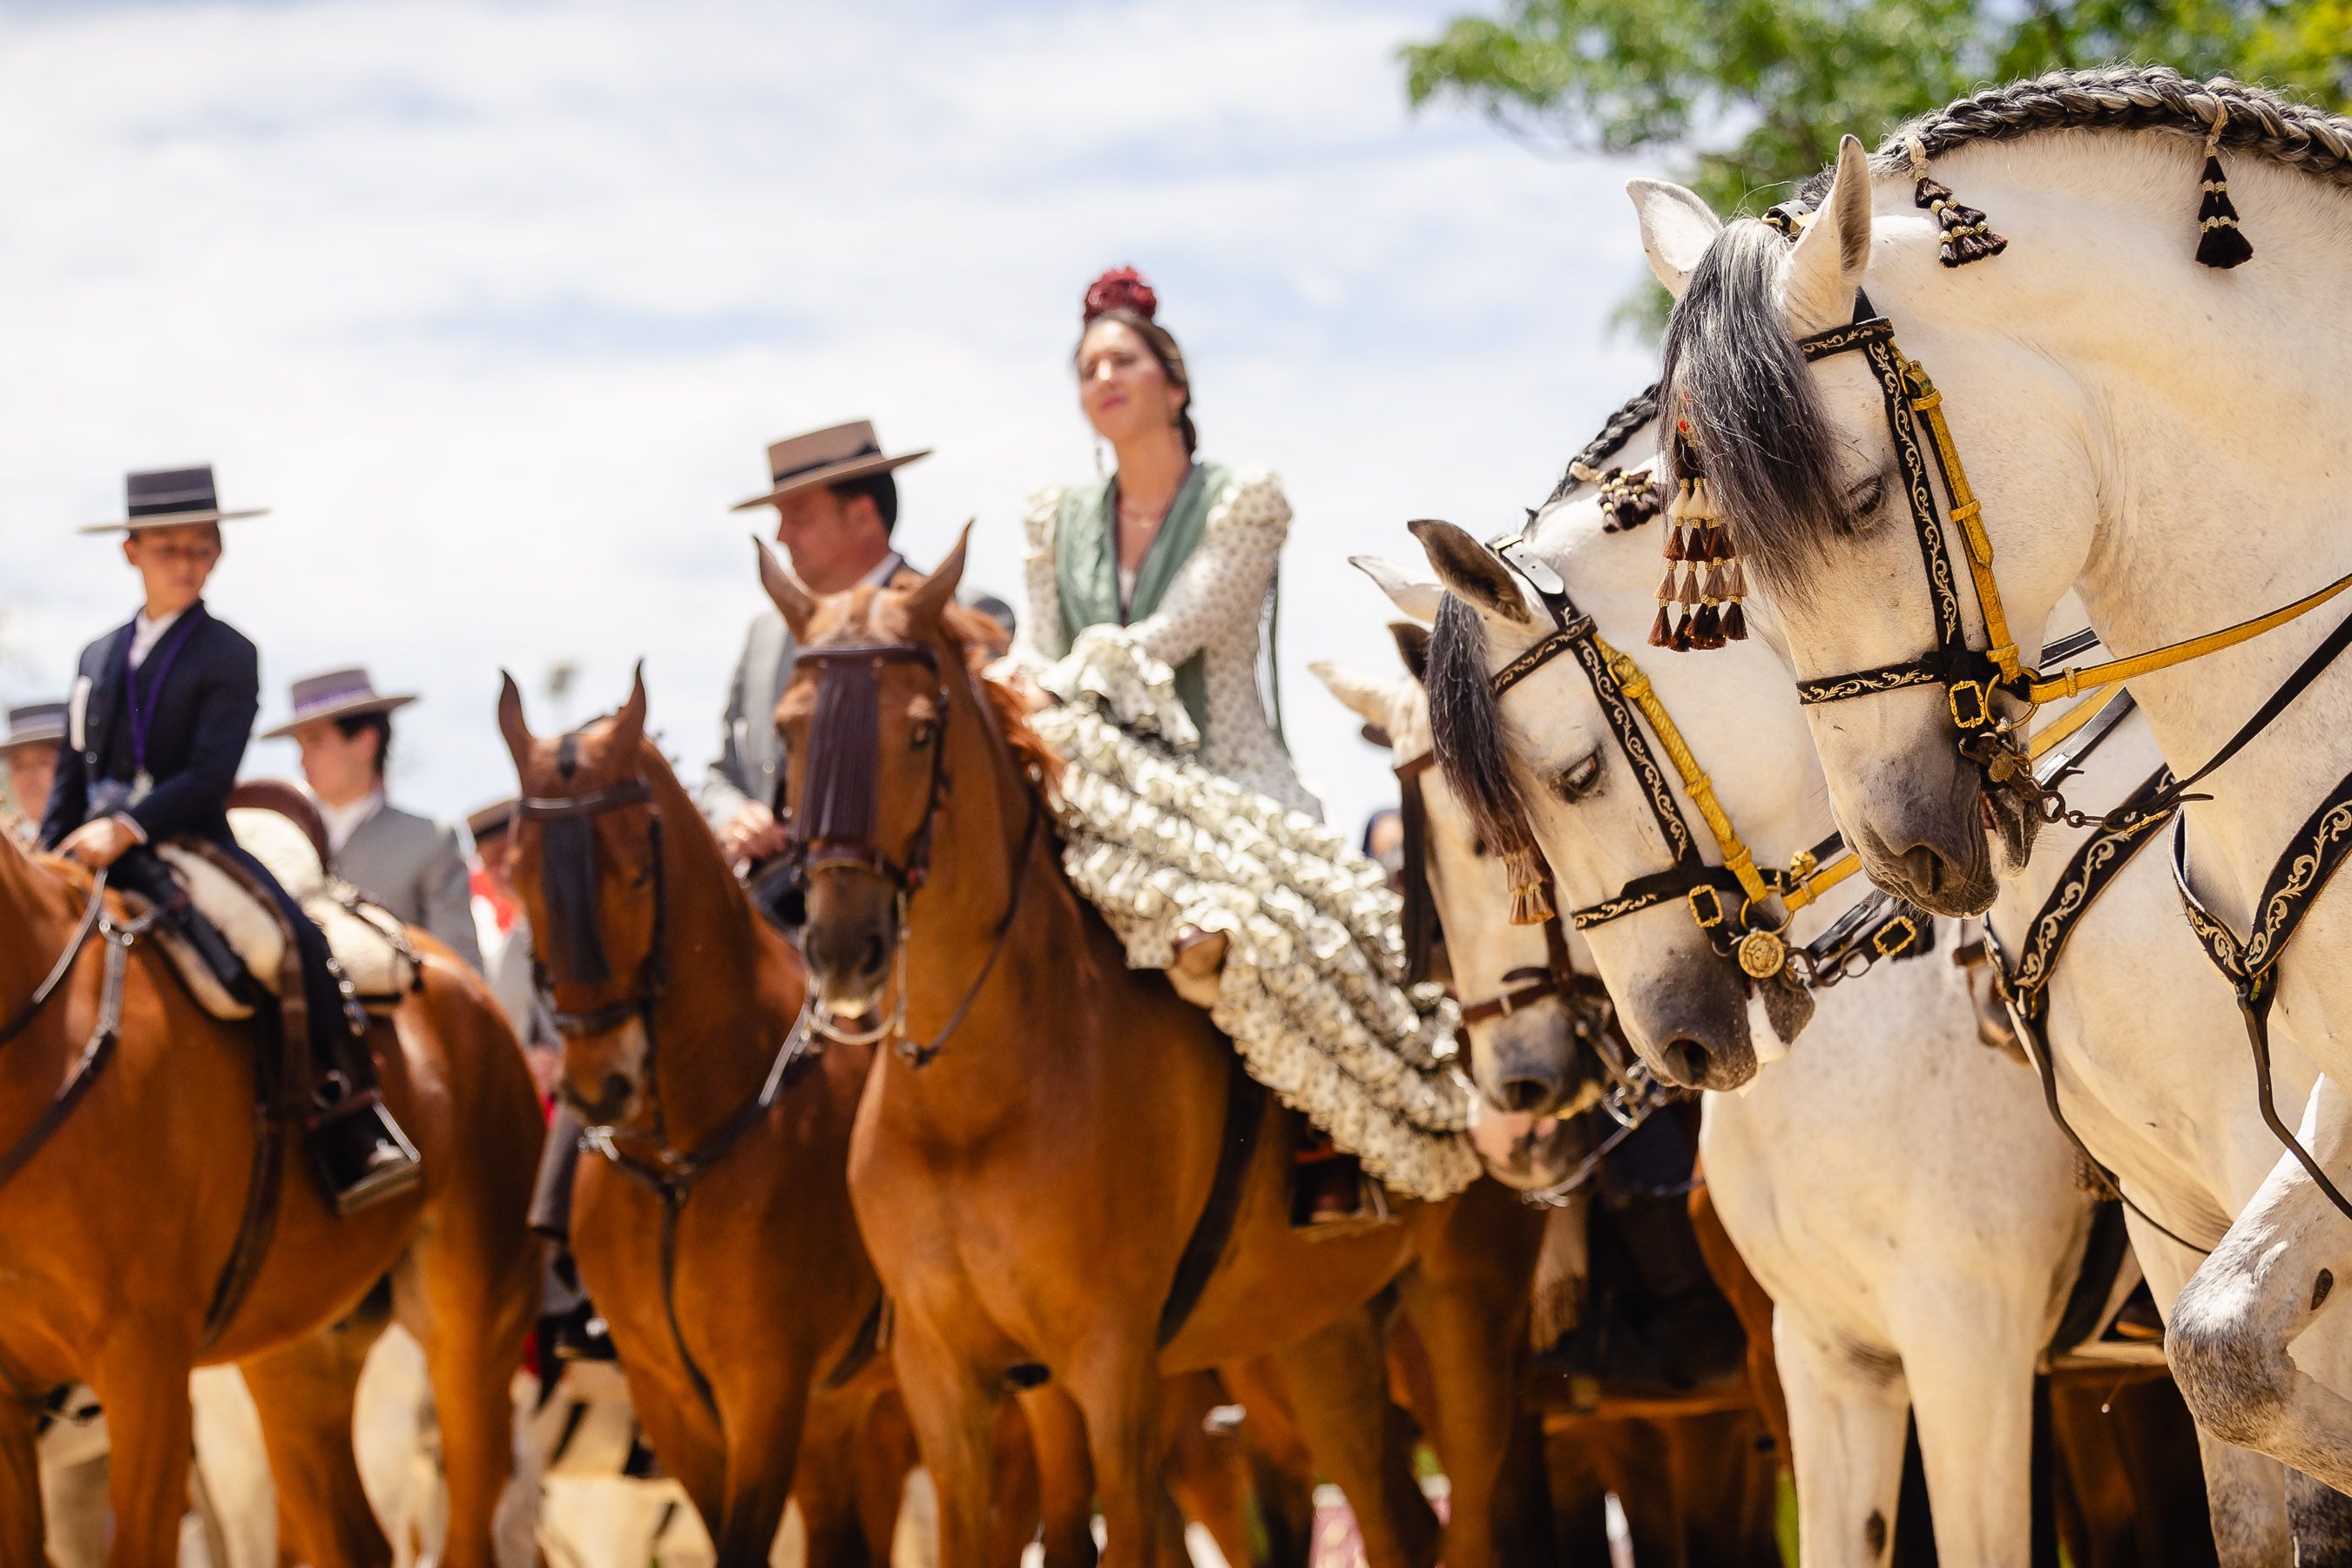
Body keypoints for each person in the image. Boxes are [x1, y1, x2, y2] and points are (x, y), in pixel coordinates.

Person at [1009, 270, 1476, 1223]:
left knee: (1302, 920)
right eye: (1089, 365)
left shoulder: (1245, 499)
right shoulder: (1052, 518)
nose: (1104, 374)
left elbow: (1180, 627)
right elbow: (1040, 641)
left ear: (1173, 385)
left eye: (1123, 358)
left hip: (1227, 773)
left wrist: (1059, 678)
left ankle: (1343, 1147)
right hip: (1091, 765)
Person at [39, 465, 420, 1213]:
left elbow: (212, 773)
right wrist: (51, 849)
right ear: (131, 554)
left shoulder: (229, 652)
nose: (185, 564)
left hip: (186, 836)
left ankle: (347, 1115)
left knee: (281, 937)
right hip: (90, 842)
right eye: (167, 549)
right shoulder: (95, 656)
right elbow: (69, 771)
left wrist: (129, 827)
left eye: (200, 549)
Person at [703, 419, 930, 866]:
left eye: (798, 516)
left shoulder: (956, 619)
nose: (780, 535)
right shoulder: (764, 636)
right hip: (768, 909)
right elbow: (721, 774)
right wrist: (733, 816)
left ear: (863, 516)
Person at [261, 669, 483, 970]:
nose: (301, 761)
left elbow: (461, 974)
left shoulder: (429, 842)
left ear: (365, 743)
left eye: (314, 743)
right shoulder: (275, 841)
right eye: (299, 747)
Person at [466, 798, 557, 1089]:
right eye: (490, 863)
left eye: (509, 855)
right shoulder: (501, 954)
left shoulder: (581, 928)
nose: (503, 871)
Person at [2, 702, 65, 846]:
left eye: (43, 762)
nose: (28, 777)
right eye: (19, 766)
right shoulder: (9, 849)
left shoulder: (104, 849)